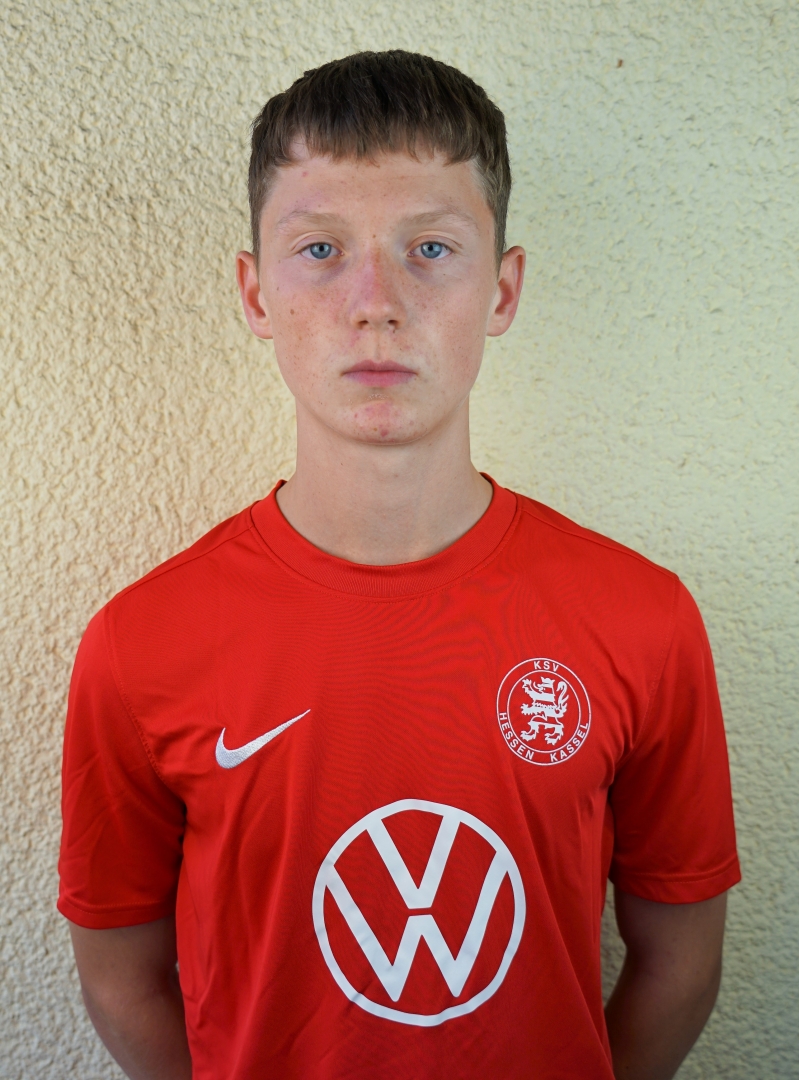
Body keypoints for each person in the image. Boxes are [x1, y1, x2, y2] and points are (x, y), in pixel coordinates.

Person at [59, 50, 740, 1080]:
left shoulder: (642, 619)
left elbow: (679, 964)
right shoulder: (140, 643)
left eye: (429, 248)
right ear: (254, 294)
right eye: (320, 249)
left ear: (501, 290)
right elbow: (121, 980)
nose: (374, 302)